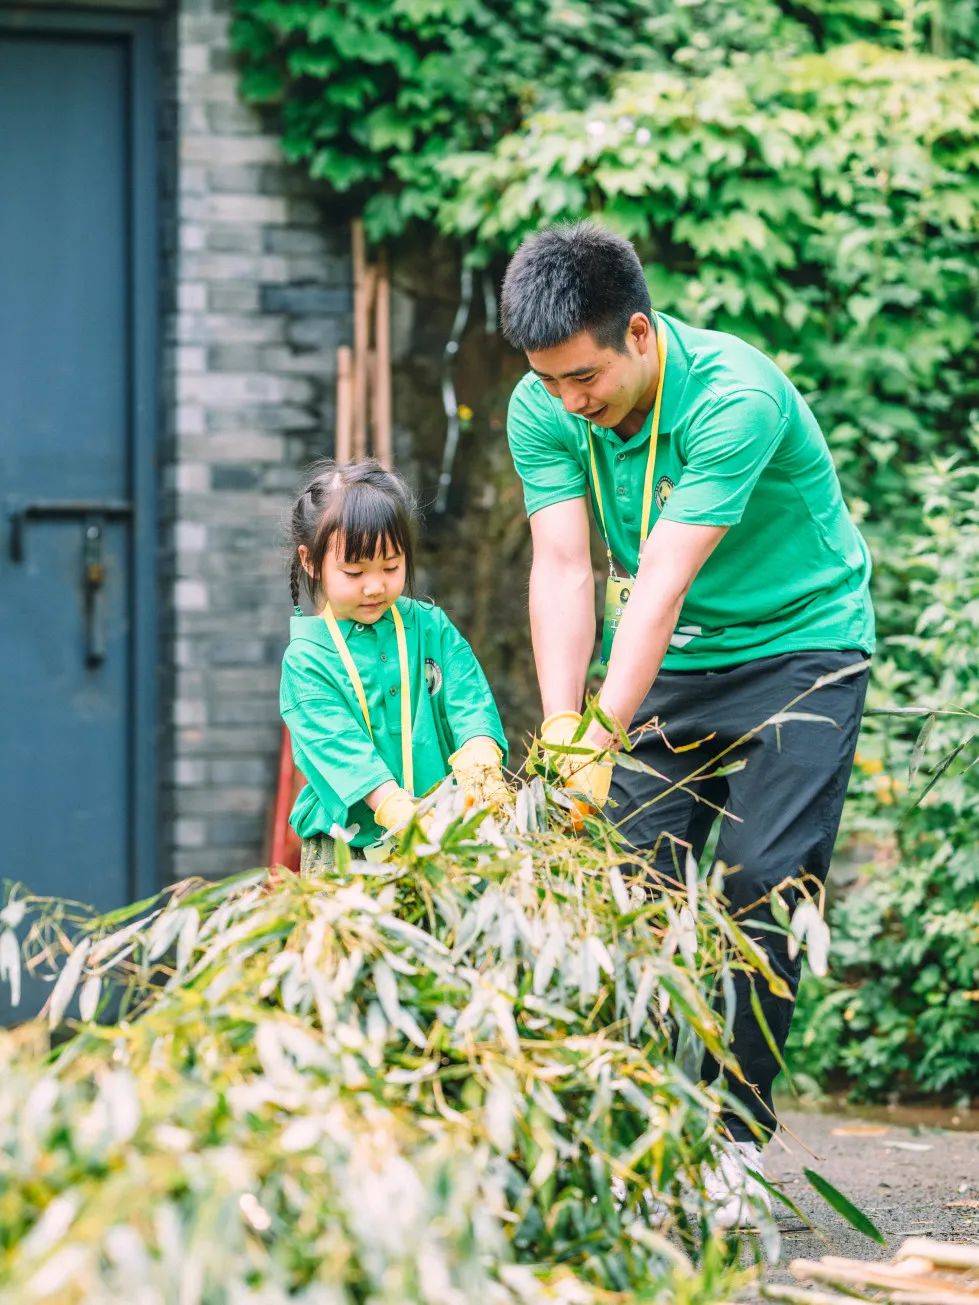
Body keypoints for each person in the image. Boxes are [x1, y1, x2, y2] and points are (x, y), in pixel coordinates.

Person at [502, 222, 874, 1227]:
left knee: (759, 885)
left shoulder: (732, 397)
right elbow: (565, 569)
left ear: (638, 331)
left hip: (801, 648)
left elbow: (658, 583)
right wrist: (564, 728)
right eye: (548, 382)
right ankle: (623, 1129)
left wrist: (601, 728)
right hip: (674, 663)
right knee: (621, 887)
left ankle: (731, 1142)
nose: (571, 402)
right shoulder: (544, 406)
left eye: (584, 377)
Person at [280, 459, 509, 873]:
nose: (375, 586)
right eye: (354, 571)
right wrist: (392, 806)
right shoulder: (307, 659)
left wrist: (480, 752)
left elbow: (468, 698)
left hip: (444, 840)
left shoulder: (430, 626)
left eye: (391, 567)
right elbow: (340, 748)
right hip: (346, 855)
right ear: (311, 561)